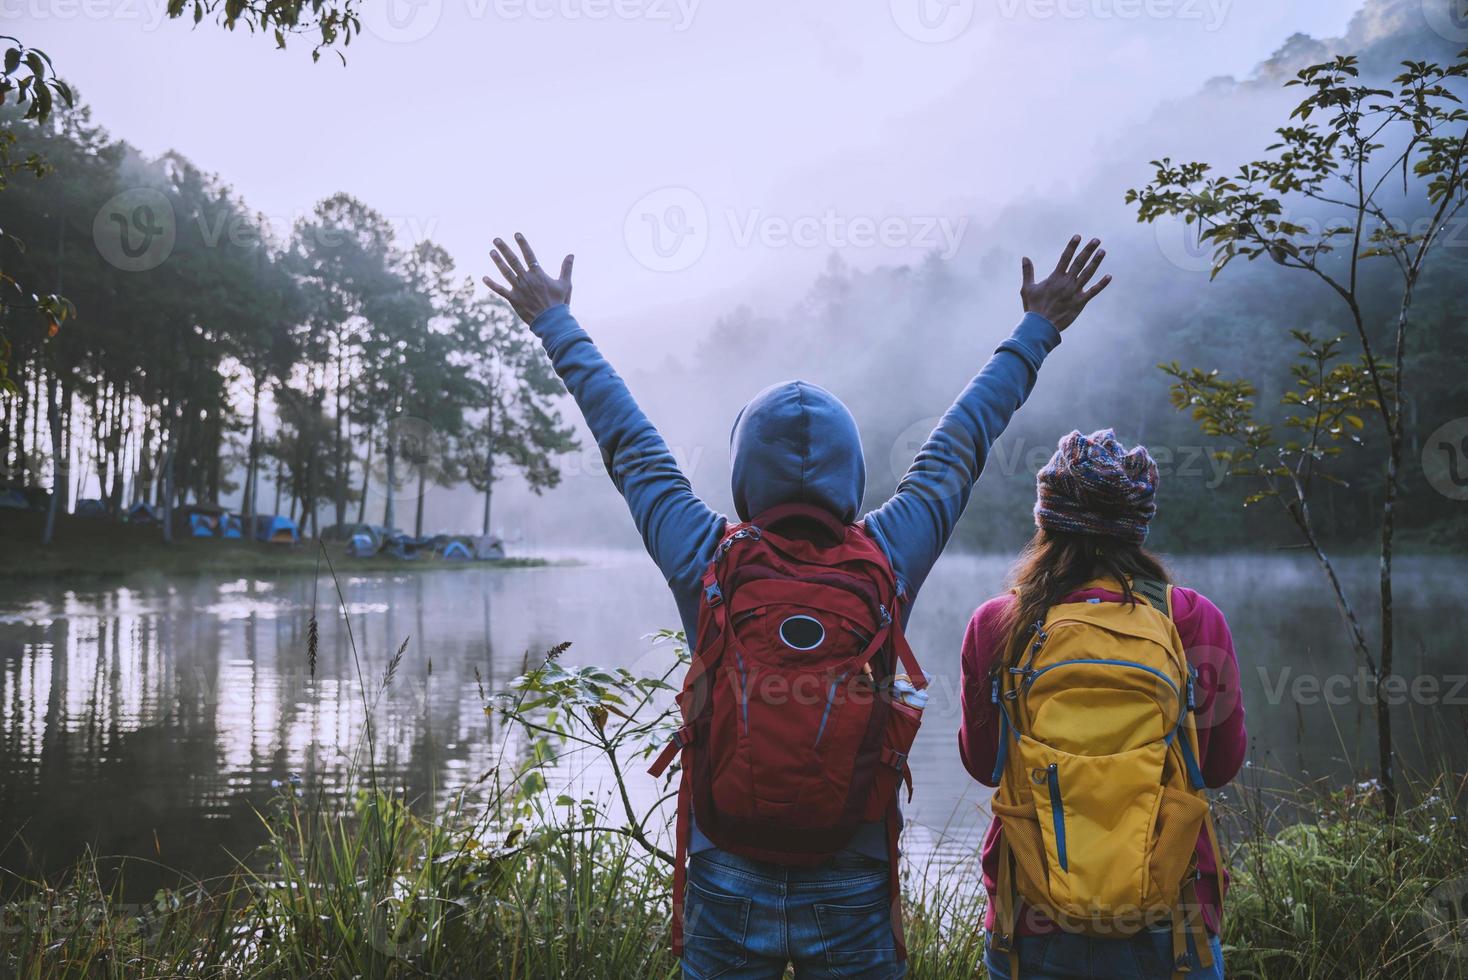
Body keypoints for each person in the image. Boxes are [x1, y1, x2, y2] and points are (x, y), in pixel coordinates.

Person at [483, 231, 1111, 979]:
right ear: (850, 471)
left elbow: (628, 442)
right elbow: (960, 444)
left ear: (745, 472)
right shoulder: (889, 552)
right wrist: (1038, 330)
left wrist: (554, 321)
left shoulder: (705, 554)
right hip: (851, 866)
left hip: (728, 866)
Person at [958, 429, 1247, 980]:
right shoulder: (1192, 618)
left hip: (1035, 913)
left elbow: (984, 764)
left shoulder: (998, 623)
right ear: (1139, 524)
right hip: (1171, 913)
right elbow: (1219, 766)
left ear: (1046, 519)